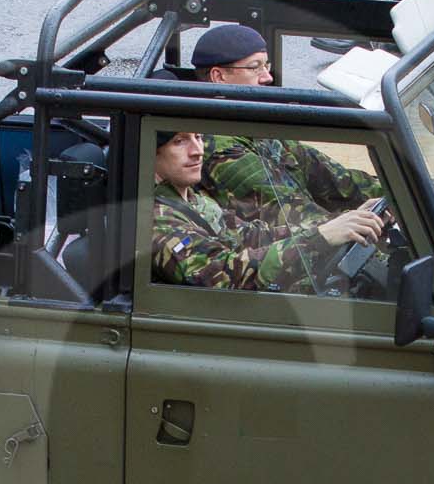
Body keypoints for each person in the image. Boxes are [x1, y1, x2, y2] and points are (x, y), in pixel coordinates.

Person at [188, 24, 389, 240]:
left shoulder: (248, 123)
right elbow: (298, 221)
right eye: (255, 68)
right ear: (218, 77)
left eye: (266, 65)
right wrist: (357, 221)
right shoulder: (221, 147)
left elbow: (335, 178)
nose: (267, 77)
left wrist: (393, 195)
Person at [150, 129, 382, 293]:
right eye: (179, 141)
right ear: (151, 150)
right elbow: (225, 276)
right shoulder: (156, 219)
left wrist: (340, 223)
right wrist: (319, 239)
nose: (197, 151)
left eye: (198, 137)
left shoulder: (193, 199)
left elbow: (254, 236)